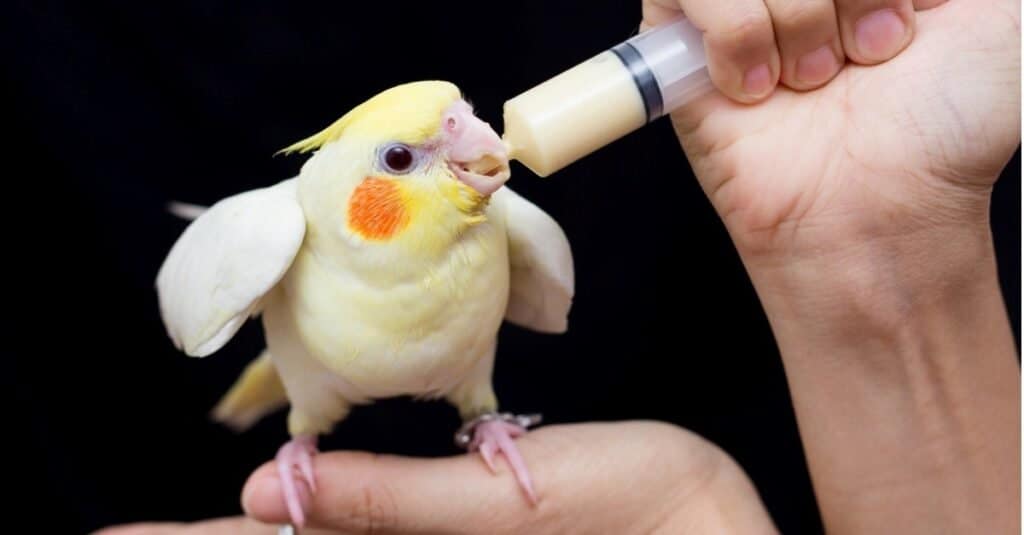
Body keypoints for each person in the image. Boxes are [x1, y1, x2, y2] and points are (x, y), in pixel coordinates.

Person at [98, 0, 1021, 532]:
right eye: (402, 159)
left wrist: (892, 246)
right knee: (299, 413)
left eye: (457, 116)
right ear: (348, 203)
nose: (466, 140)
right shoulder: (268, 235)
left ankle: (485, 419)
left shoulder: (511, 229)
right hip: (311, 373)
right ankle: (301, 430)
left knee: (481, 394)